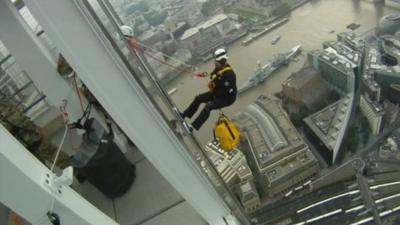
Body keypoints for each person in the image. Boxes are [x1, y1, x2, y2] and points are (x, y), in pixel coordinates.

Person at [181, 48, 237, 131]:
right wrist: (205, 75)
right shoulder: (219, 68)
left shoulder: (230, 75)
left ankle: (192, 127)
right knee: (199, 98)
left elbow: (224, 91)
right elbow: (214, 75)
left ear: (222, 61)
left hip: (227, 98)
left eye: (216, 62)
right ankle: (184, 115)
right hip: (217, 92)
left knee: (208, 106)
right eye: (215, 61)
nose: (215, 63)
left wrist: (213, 91)